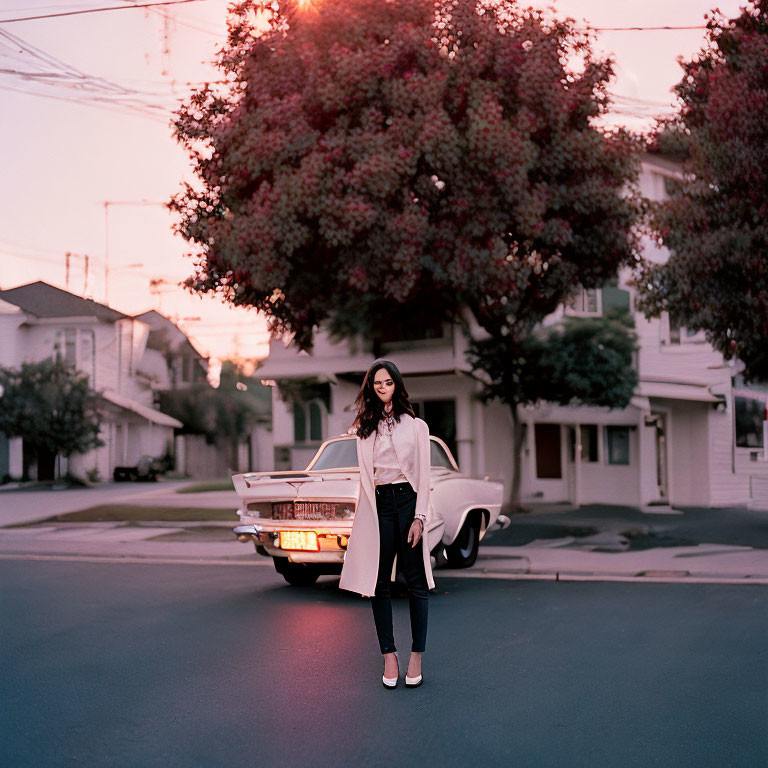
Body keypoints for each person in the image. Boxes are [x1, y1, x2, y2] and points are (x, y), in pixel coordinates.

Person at [339, 359, 434, 689]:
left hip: (408, 502)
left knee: (414, 581)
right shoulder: (364, 430)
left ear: (397, 384)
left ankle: (417, 655)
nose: (382, 388)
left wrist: (420, 517)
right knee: (378, 583)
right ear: (371, 388)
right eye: (376, 384)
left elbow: (424, 475)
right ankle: (389, 656)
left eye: (388, 382)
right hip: (380, 506)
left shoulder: (416, 426)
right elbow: (366, 479)